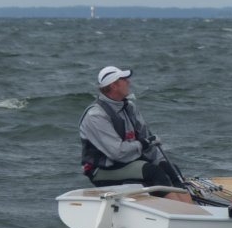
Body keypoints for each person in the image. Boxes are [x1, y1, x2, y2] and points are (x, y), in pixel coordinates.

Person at [79, 66, 192, 203]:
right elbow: (118, 153)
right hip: (103, 170)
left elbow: (148, 141)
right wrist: (144, 144)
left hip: (128, 162)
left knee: (170, 169)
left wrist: (161, 161)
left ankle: (191, 209)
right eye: (124, 79)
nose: (129, 82)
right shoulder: (95, 116)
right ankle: (176, 210)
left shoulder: (130, 107)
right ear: (114, 86)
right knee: (154, 173)